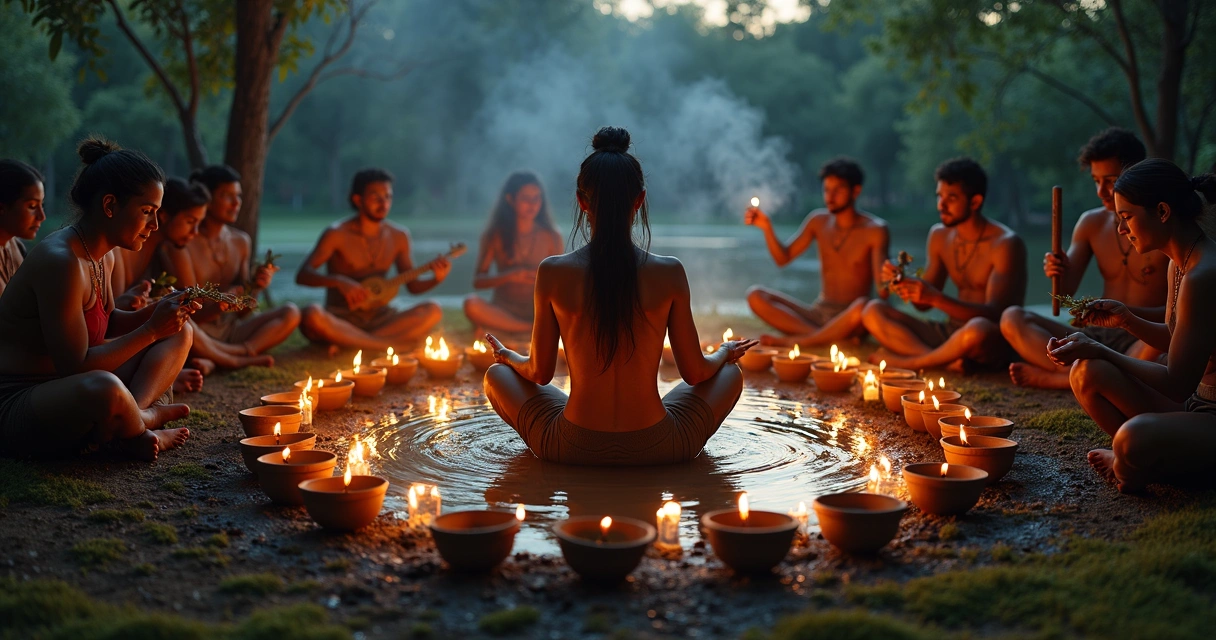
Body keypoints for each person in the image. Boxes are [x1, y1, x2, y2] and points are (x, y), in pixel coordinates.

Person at [483, 127, 756, 466]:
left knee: (496, 375)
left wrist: (508, 356)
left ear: (582, 202)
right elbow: (696, 373)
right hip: (661, 447)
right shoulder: (669, 271)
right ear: (639, 200)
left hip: (570, 447)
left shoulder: (552, 272)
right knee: (729, 373)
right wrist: (725, 352)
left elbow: (539, 373)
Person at [0, 138, 199, 460]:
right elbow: (74, 365)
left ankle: (129, 418)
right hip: (20, 397)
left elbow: (109, 320)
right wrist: (151, 330)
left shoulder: (104, 254)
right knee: (104, 388)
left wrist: (160, 313)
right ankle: (141, 421)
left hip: (70, 384)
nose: (155, 225)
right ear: (109, 205)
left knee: (181, 333)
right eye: (147, 212)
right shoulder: (61, 261)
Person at [1050, 160, 1216, 492]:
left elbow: (1177, 384)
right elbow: (1176, 339)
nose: (1121, 230)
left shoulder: (1203, 274)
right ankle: (1150, 461)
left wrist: (1101, 349)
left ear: (1163, 212)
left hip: (1209, 414)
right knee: (1085, 372)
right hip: (1195, 402)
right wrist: (1126, 320)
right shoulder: (1179, 263)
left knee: (1131, 438)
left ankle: (1140, 464)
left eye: (1126, 217)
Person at [1001, 129, 1166, 389]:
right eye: (1096, 180)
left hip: (1145, 334)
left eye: (1111, 181)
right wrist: (1057, 271)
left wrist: (1124, 315)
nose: (1101, 191)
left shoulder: (1160, 226)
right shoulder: (1091, 223)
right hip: (1097, 332)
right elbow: (1063, 295)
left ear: (1135, 173)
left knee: (1168, 342)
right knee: (1012, 317)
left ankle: (1059, 379)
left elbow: (1178, 316)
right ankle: (1088, 374)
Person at [862, 157, 1026, 371]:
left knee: (978, 328)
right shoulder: (939, 235)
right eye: (939, 196)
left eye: (952, 198)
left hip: (988, 338)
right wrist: (904, 284)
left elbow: (996, 314)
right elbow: (923, 306)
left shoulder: (1005, 243)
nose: (941, 204)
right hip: (950, 332)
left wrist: (935, 298)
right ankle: (946, 361)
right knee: (873, 310)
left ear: (975, 202)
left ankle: (913, 362)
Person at [297, 168, 448, 351]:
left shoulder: (399, 236)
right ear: (357, 200)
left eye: (388, 197)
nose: (384, 203)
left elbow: (413, 286)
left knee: (433, 310)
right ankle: (387, 344)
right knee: (312, 314)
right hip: (342, 317)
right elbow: (303, 275)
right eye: (376, 197)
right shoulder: (336, 234)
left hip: (381, 318)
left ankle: (350, 342)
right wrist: (338, 281)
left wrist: (436, 278)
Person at [745, 157, 889, 347]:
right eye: (827, 189)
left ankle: (801, 340)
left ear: (856, 191)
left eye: (838, 190)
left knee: (864, 305)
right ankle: (829, 338)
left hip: (851, 318)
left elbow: (883, 291)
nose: (830, 196)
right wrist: (767, 227)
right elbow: (783, 258)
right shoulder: (818, 221)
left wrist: (894, 275)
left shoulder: (876, 230)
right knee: (755, 296)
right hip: (819, 313)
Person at [161, 165, 299, 358]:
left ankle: (234, 353)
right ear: (207, 198)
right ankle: (228, 358)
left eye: (238, 196)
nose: (236, 203)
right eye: (227, 196)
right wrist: (218, 305)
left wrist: (256, 287)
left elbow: (243, 312)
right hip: (196, 331)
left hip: (231, 329)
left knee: (291, 312)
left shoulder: (241, 241)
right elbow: (189, 312)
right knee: (185, 327)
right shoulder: (184, 241)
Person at [463, 171, 564, 339]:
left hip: (538, 310)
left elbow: (560, 283)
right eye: (525, 198)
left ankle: (509, 329)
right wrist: (510, 276)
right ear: (510, 199)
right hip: (503, 310)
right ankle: (529, 329)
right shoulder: (495, 235)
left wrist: (541, 277)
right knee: (471, 304)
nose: (532, 204)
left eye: (537, 198)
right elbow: (478, 281)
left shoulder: (552, 236)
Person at [0, 160, 47, 296]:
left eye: (41, 205)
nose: (42, 216)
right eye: (32, 206)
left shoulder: (17, 247)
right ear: (2, 207)